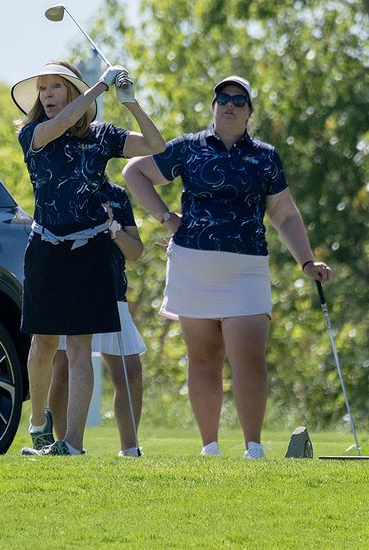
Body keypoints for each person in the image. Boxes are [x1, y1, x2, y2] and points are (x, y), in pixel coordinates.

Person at [123, 75, 333, 459]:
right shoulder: (188, 147)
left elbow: (284, 214)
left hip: (246, 266)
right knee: (203, 358)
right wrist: (167, 218)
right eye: (223, 98)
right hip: (193, 264)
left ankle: (253, 447)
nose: (230, 105)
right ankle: (210, 448)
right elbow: (133, 173)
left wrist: (306, 261)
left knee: (249, 354)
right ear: (213, 106)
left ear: (250, 111)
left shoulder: (265, 156)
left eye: (239, 100)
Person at [12, 60, 165, 456]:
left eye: (55, 87)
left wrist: (131, 103)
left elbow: (156, 147)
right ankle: (38, 423)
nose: (46, 94)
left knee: (80, 348)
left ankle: (73, 444)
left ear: (71, 91)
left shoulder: (102, 137)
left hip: (90, 249)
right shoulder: (33, 134)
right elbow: (58, 127)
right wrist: (99, 88)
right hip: (46, 247)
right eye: (42, 89)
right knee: (44, 342)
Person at [48, 182, 146, 457]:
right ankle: (66, 444)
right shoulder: (61, 184)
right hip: (70, 289)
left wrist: (112, 228)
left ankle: (130, 450)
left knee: (130, 370)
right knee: (63, 367)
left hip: (112, 290)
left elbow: (135, 251)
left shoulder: (116, 195)